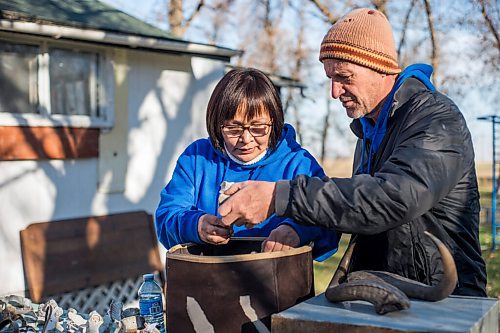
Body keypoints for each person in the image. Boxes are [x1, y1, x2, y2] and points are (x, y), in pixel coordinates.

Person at [219, 8, 487, 296]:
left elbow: (393, 197)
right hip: (389, 293)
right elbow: (355, 210)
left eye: (344, 77)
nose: (335, 92)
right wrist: (297, 228)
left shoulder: (436, 119)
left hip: (447, 298)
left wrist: (277, 196)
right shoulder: (368, 131)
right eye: (330, 78)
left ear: (380, 68)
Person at [155, 67, 339, 261]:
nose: (246, 138)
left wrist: (296, 231)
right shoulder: (197, 158)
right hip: (207, 280)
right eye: (233, 128)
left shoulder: (298, 163)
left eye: (258, 128)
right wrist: (196, 225)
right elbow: (167, 215)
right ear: (217, 123)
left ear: (274, 122)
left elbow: (328, 219)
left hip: (277, 282)